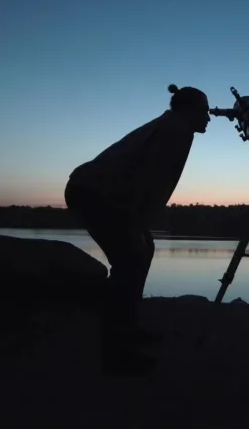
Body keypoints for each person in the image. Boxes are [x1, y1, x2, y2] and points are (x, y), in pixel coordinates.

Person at [64, 84, 210, 377]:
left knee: (142, 252)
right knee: (129, 261)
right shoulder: (175, 131)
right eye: (205, 111)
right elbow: (145, 178)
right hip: (96, 193)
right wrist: (137, 219)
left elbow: (147, 179)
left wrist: (140, 222)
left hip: (105, 193)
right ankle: (116, 353)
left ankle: (127, 329)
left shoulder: (174, 126)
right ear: (190, 110)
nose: (208, 118)